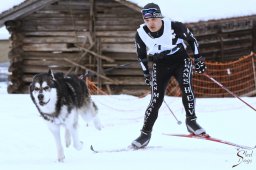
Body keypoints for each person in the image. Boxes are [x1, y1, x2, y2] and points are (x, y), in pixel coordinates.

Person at [131, 3, 207, 149]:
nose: (150, 23)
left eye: (153, 19)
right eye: (147, 20)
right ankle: (145, 134)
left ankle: (191, 121)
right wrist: (146, 74)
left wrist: (198, 59)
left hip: (181, 60)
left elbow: (192, 40)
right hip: (160, 65)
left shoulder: (175, 26)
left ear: (159, 17)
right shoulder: (141, 33)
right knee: (156, 99)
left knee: (186, 87)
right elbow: (141, 57)